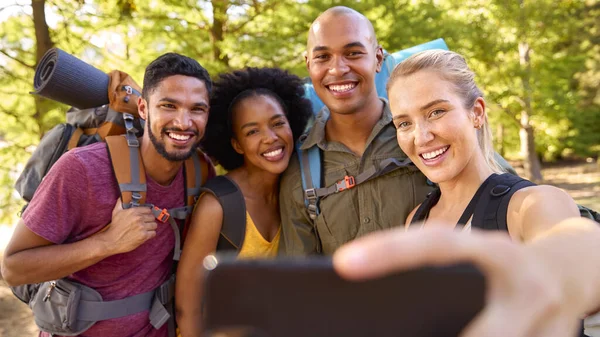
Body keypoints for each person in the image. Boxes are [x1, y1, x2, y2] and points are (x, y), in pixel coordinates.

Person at [333, 49, 600, 337]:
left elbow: (578, 245)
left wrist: (558, 270)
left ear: (477, 112)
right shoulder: (417, 220)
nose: (421, 137)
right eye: (404, 123)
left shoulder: (529, 203)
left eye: (436, 112)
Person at [1, 53, 215, 337]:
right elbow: (13, 268)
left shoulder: (200, 171)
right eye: (168, 105)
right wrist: (107, 242)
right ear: (143, 108)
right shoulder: (82, 169)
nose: (183, 121)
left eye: (197, 109)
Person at [279, 6, 433, 255]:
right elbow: (301, 280)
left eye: (353, 53)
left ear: (378, 59)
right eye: (322, 57)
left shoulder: (426, 137)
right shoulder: (300, 173)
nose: (338, 69)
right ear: (308, 64)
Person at [175, 67, 313, 337]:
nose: (270, 138)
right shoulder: (218, 205)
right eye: (252, 132)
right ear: (237, 145)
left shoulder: (297, 188)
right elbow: (187, 308)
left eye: (277, 123)